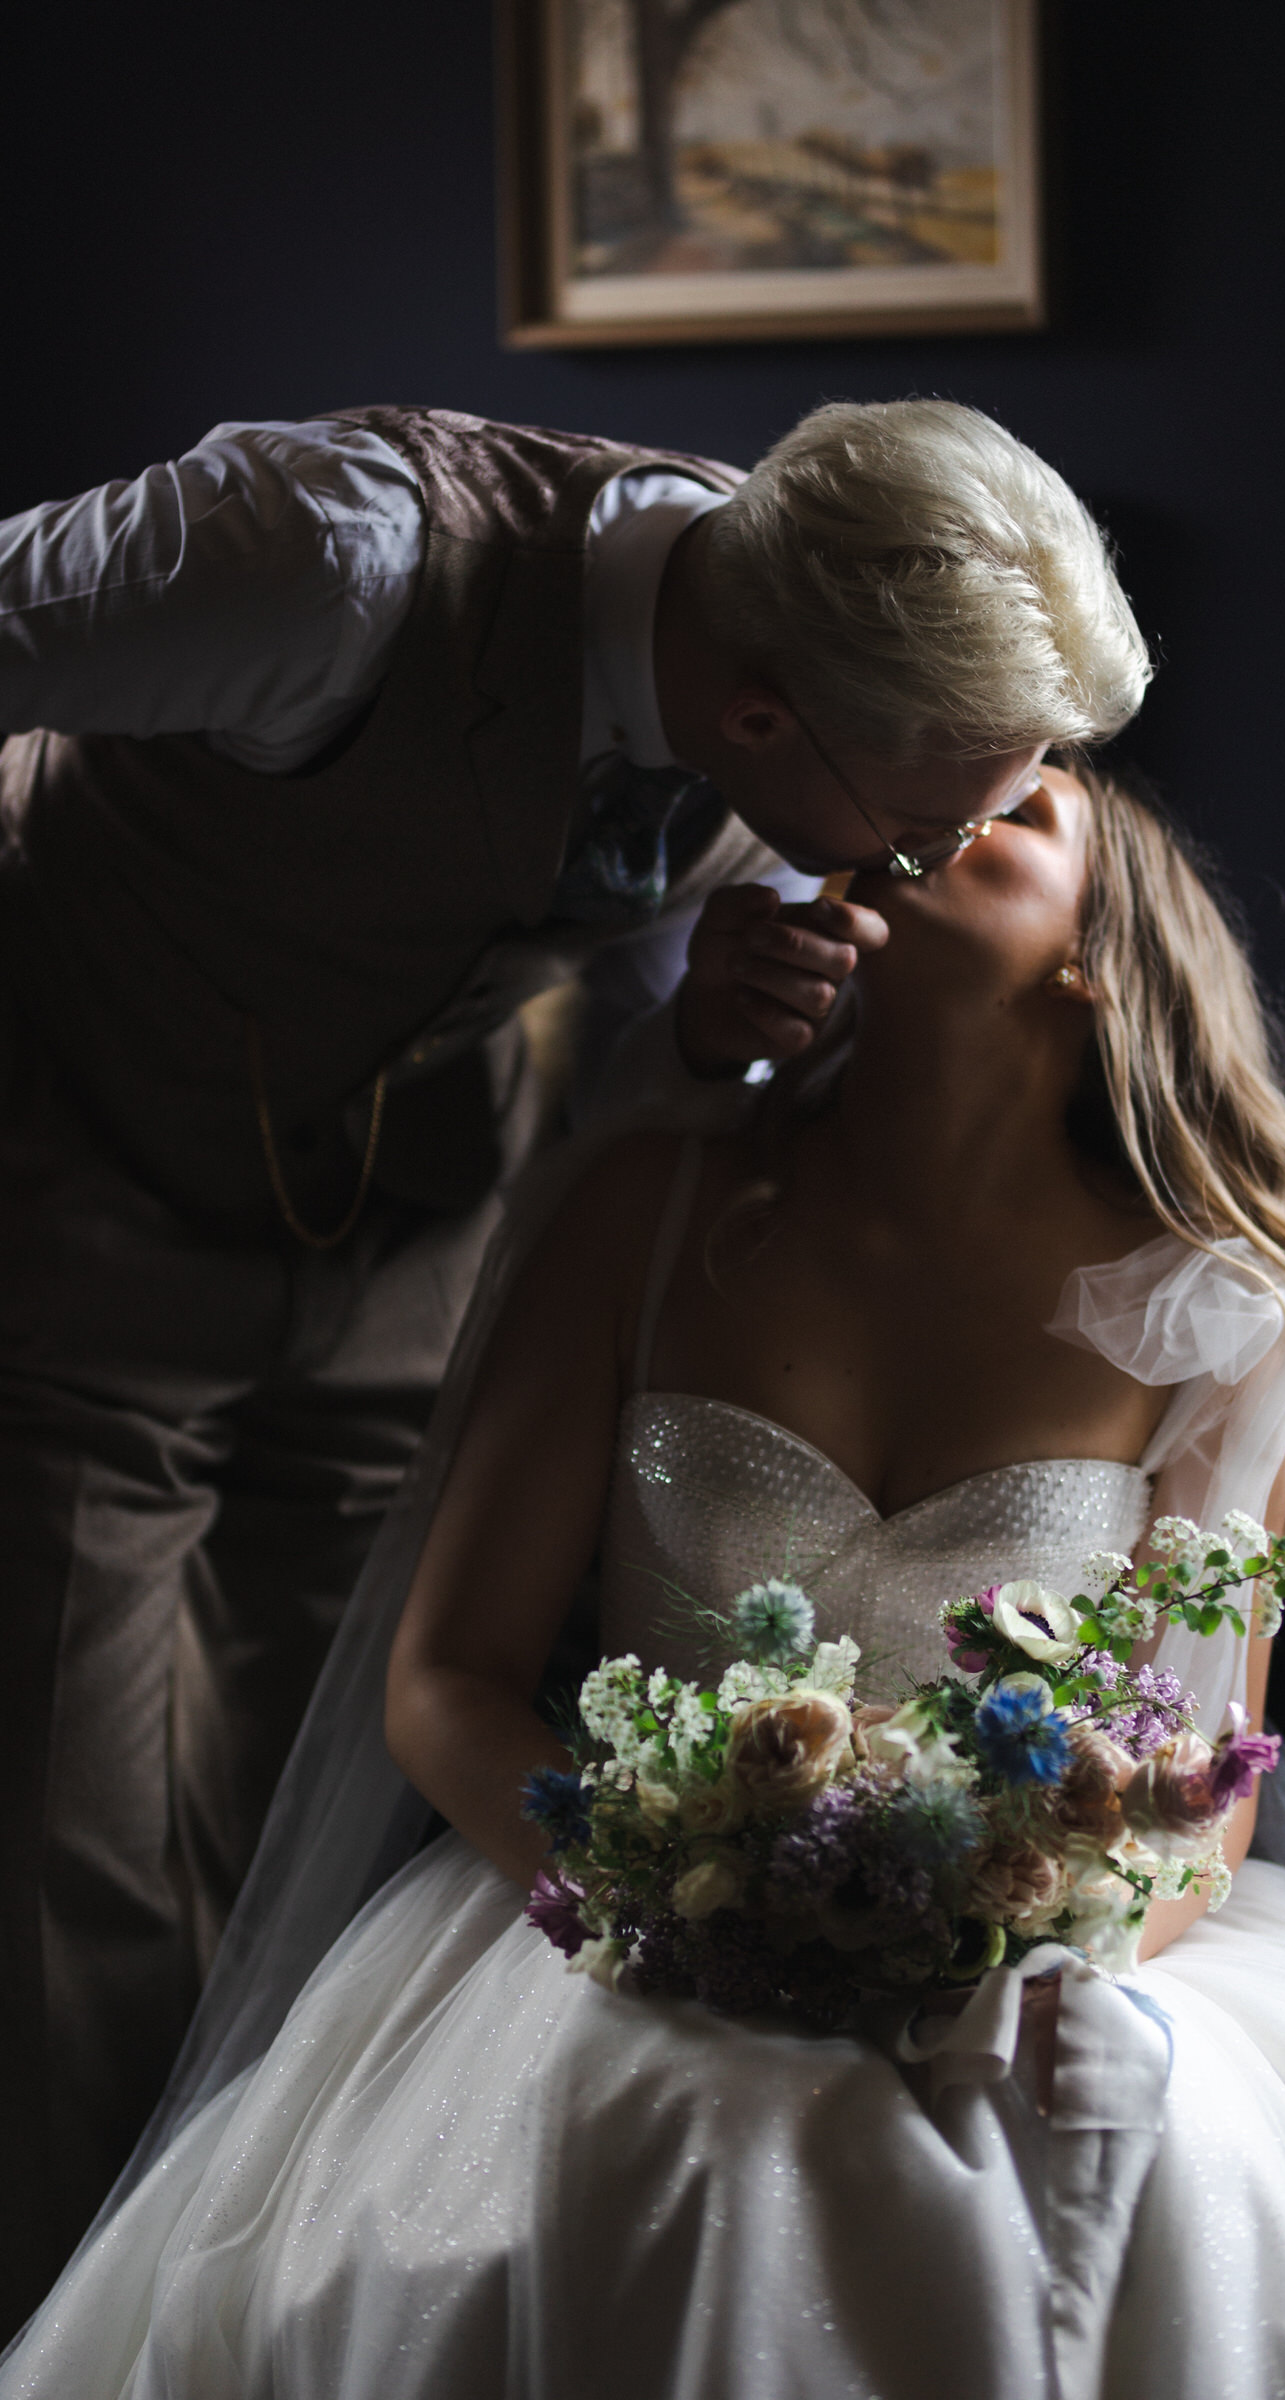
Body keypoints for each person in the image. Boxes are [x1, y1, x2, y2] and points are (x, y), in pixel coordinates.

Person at [6, 759, 1285, 2400]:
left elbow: (1205, 1782)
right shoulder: (653, 1199)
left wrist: (1024, 1937)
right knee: (660, 2143)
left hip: (1035, 1951)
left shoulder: (1213, 1297)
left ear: (1100, 953)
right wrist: (666, 1897)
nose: (940, 804)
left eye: (1017, 809)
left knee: (1118, 2169)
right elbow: (446, 1682)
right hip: (619, 1914)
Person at [0, 397, 1147, 2319]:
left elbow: (607, 1042)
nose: (941, 857)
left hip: (409, 1261)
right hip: (67, 1234)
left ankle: (259, 2317)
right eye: (935, 817)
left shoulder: (797, 645)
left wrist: (697, 1046)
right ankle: (79, 2336)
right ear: (767, 726)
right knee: (69, 1873)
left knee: (311, 1853)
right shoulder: (333, 557)